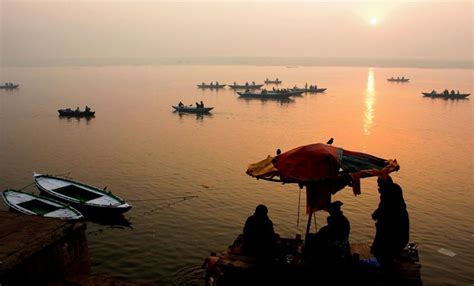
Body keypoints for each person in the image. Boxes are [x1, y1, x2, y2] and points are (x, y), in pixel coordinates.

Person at [371, 175, 410, 268]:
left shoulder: (389, 192)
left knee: (386, 246)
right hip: (396, 221)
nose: (378, 187)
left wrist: (376, 214)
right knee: (389, 245)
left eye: (379, 184)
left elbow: (386, 207)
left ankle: (386, 264)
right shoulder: (394, 189)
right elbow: (383, 206)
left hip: (393, 223)